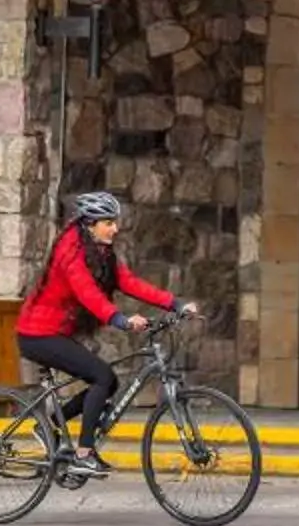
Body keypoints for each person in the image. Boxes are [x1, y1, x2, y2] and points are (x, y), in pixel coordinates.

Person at [15, 191, 193, 481]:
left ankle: (46, 423)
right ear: (89, 224)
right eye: (108, 222)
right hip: (38, 334)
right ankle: (84, 456)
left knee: (107, 381)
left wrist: (174, 303)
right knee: (102, 377)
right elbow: (87, 292)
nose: (115, 228)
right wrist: (120, 319)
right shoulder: (70, 251)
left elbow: (128, 282)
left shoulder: (99, 250)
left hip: (55, 331)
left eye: (114, 222)